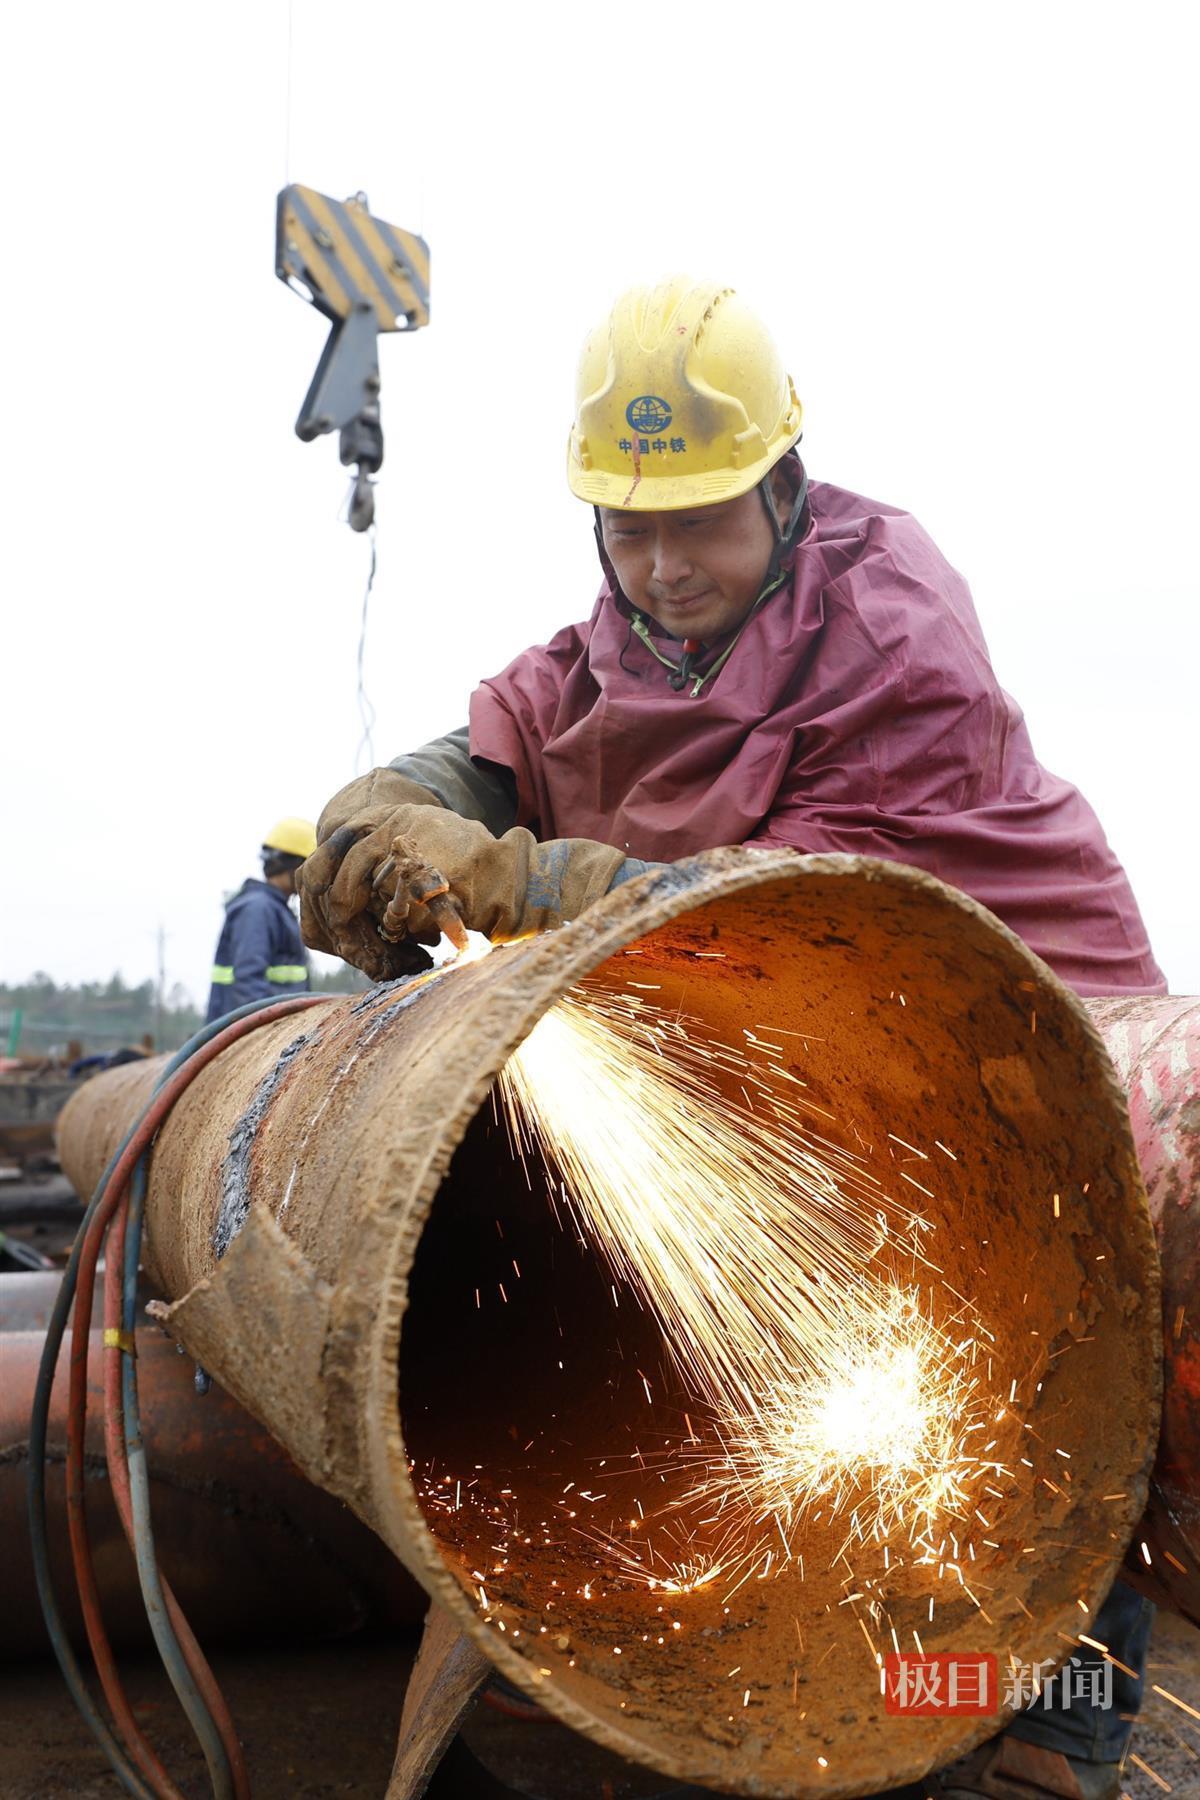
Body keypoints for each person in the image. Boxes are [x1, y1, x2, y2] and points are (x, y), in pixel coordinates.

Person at [298, 279, 1163, 1799]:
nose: (662, 565)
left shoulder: (888, 627)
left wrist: (522, 881)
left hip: (1005, 1031)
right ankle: (852, 1672)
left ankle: (1057, 1717)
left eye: (698, 522)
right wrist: (398, 807)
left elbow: (807, 919)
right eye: (628, 529)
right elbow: (518, 731)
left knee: (1052, 1360)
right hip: (797, 1049)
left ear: (781, 484)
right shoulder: (625, 640)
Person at [206, 818, 316, 1023]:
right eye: (311, 868)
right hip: (253, 1032)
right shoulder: (258, 909)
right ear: (294, 865)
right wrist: (273, 1029)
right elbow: (248, 984)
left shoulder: (274, 909)